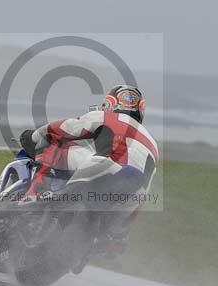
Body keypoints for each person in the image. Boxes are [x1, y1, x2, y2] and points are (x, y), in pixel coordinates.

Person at [19, 85, 158, 261]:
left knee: (54, 144)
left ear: (110, 103)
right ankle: (105, 241)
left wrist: (35, 136)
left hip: (106, 170)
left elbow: (65, 128)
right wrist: (123, 226)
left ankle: (34, 192)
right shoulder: (153, 144)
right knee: (113, 232)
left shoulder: (108, 116)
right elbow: (144, 191)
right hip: (132, 195)